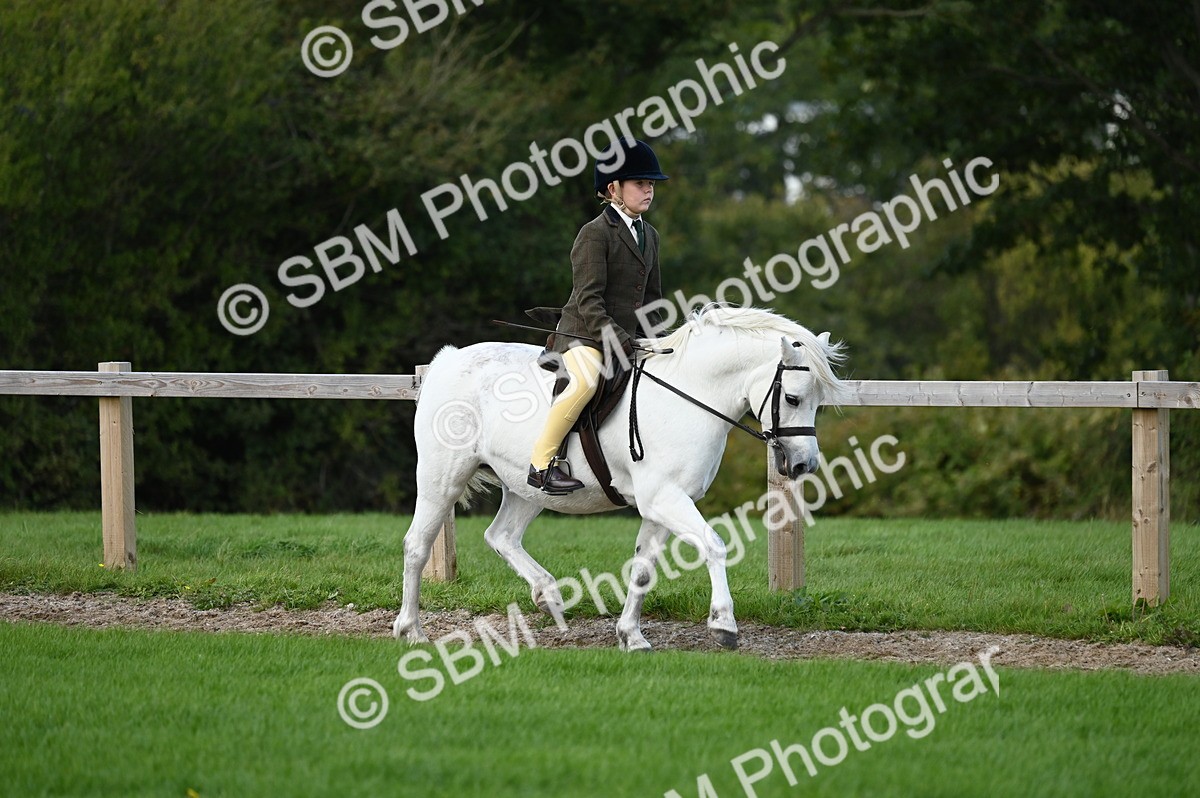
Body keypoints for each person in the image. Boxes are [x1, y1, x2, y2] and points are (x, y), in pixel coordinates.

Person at [527, 138, 669, 494]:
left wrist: (661, 341)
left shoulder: (649, 234)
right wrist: (620, 341)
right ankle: (541, 465)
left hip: (626, 338)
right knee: (586, 381)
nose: (648, 189)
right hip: (584, 336)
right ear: (613, 189)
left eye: (651, 184)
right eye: (640, 183)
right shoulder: (594, 233)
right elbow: (589, 301)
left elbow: (652, 298)